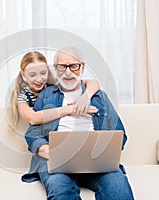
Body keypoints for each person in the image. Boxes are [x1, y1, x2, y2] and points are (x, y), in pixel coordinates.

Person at [22, 48, 134, 200]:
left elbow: (119, 134)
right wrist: (45, 149)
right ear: (55, 69)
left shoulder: (99, 97)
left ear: (82, 67)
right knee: (59, 189)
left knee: (119, 190)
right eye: (62, 67)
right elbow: (33, 133)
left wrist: (104, 149)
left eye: (73, 66)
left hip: (97, 163)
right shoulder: (46, 96)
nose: (68, 73)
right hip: (58, 164)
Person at [10, 51, 100, 129]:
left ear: (48, 71)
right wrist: (71, 109)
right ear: (23, 74)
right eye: (32, 75)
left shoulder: (54, 85)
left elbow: (93, 83)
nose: (39, 79)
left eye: (43, 73)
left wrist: (86, 96)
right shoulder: (23, 96)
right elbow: (33, 119)